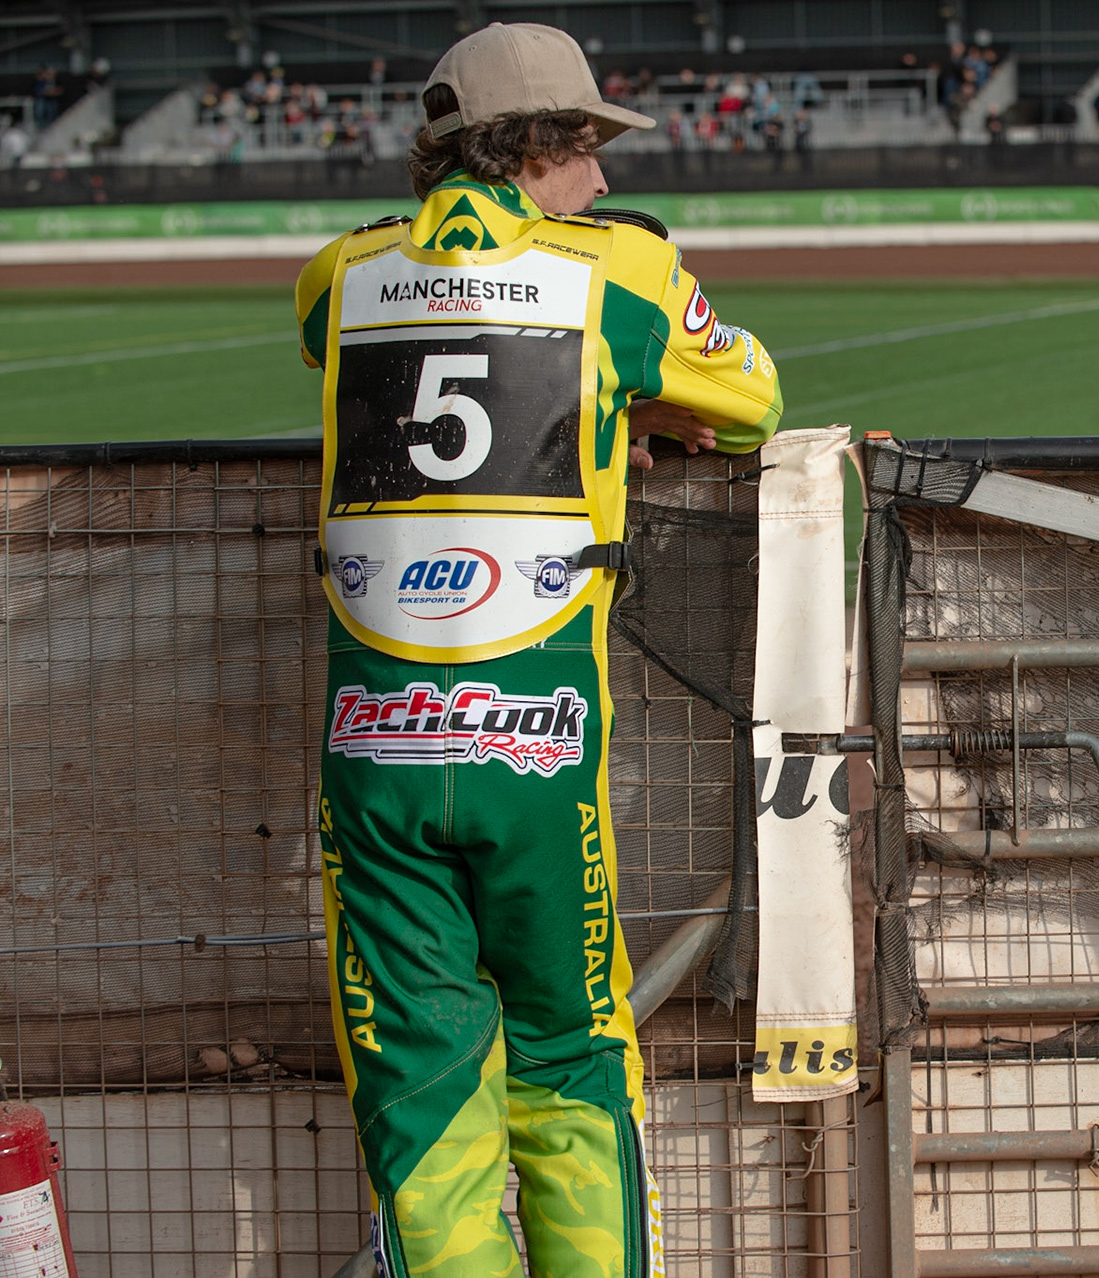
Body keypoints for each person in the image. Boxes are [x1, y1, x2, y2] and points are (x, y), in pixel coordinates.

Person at [293, 22, 782, 1277]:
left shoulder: (335, 275)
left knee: (418, 1087)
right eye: (589, 151)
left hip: (375, 751)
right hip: (536, 738)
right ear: (540, 149)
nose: (606, 182)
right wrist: (642, 397)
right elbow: (756, 397)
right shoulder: (616, 274)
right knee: (571, 1064)